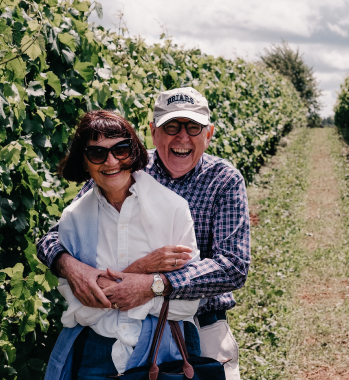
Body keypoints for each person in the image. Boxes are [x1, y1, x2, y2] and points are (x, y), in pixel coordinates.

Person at [38, 87, 250, 379]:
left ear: (209, 133)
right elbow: (55, 236)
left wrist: (154, 283)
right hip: (120, 324)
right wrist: (70, 266)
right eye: (171, 127)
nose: (182, 137)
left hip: (201, 323)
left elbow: (233, 267)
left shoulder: (223, 179)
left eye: (193, 127)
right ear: (153, 132)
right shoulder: (125, 164)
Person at [44, 110, 201, 379]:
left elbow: (187, 305)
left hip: (161, 355)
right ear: (84, 161)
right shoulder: (73, 219)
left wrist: (109, 290)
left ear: (134, 152)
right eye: (97, 153)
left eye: (121, 149)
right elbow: (78, 307)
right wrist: (143, 272)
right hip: (95, 357)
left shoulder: (173, 209)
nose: (111, 161)